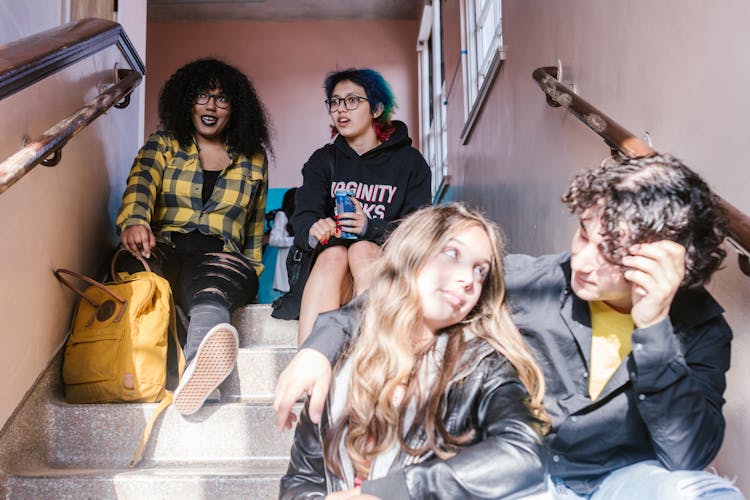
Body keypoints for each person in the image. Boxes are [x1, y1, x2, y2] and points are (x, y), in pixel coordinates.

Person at [274, 154, 745, 499]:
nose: (581, 259)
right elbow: (395, 298)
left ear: (663, 261)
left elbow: (686, 453)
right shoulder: (530, 281)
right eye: (583, 231)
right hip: (511, 478)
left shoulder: (702, 330)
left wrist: (654, 326)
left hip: (623, 479)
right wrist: (319, 346)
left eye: (609, 251)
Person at [280, 203, 549, 499]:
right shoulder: (338, 357)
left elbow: (524, 454)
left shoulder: (483, 366)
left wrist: (395, 491)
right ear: (413, 256)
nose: (468, 280)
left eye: (480, 271)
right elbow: (302, 480)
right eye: (452, 254)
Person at [115, 58, 271, 416]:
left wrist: (250, 275)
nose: (211, 106)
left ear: (236, 109)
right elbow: (141, 184)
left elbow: (254, 228)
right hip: (163, 247)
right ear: (187, 101)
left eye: (222, 99)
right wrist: (135, 221)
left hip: (219, 256)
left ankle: (199, 368)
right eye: (202, 95)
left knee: (211, 290)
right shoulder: (165, 144)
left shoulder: (253, 159)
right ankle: (165, 367)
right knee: (133, 271)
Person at [292, 67, 431, 346]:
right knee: (336, 254)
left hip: (384, 275)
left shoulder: (410, 163)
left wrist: (370, 227)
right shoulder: (323, 161)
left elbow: (419, 233)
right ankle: (308, 364)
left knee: (362, 249)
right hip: (329, 275)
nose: (341, 109)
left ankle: (378, 354)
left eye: (353, 100)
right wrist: (315, 228)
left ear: (377, 108)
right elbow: (303, 219)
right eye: (334, 101)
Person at [269, 187, 297, 293]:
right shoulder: (282, 216)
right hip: (285, 258)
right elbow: (273, 240)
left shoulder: (301, 217)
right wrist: (295, 240)